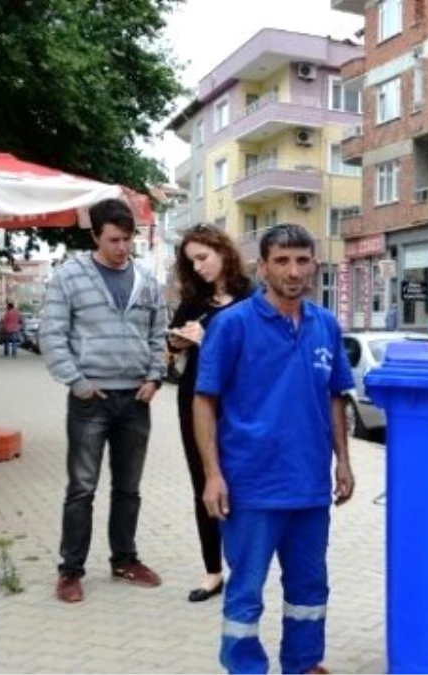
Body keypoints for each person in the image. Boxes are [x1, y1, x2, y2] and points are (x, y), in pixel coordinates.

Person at [193, 224, 355, 675]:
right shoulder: (232, 325)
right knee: (245, 589)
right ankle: (245, 668)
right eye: (281, 260)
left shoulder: (325, 325)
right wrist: (212, 474)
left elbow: (335, 395)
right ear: (261, 267)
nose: (293, 270)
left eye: (302, 260)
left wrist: (343, 460)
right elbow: (203, 400)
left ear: (314, 265)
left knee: (309, 586)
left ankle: (303, 664)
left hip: (309, 486)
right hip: (251, 486)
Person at [39, 198, 167, 604]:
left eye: (128, 239)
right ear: (94, 235)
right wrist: (77, 382)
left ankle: (125, 559)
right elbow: (52, 334)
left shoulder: (147, 280)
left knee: (128, 488)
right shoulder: (69, 277)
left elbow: (159, 334)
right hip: (91, 399)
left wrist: (154, 377)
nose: (122, 248)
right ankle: (70, 571)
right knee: (82, 488)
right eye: (113, 239)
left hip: (136, 400)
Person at [167, 223, 253, 603]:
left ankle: (245, 567)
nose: (199, 267)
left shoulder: (252, 297)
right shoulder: (194, 301)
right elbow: (170, 349)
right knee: (204, 481)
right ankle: (212, 571)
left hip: (239, 399)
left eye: (203, 258)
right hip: (195, 399)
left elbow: (260, 349)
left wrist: (212, 337)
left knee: (240, 480)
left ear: (223, 252)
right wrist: (177, 341)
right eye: (192, 262)